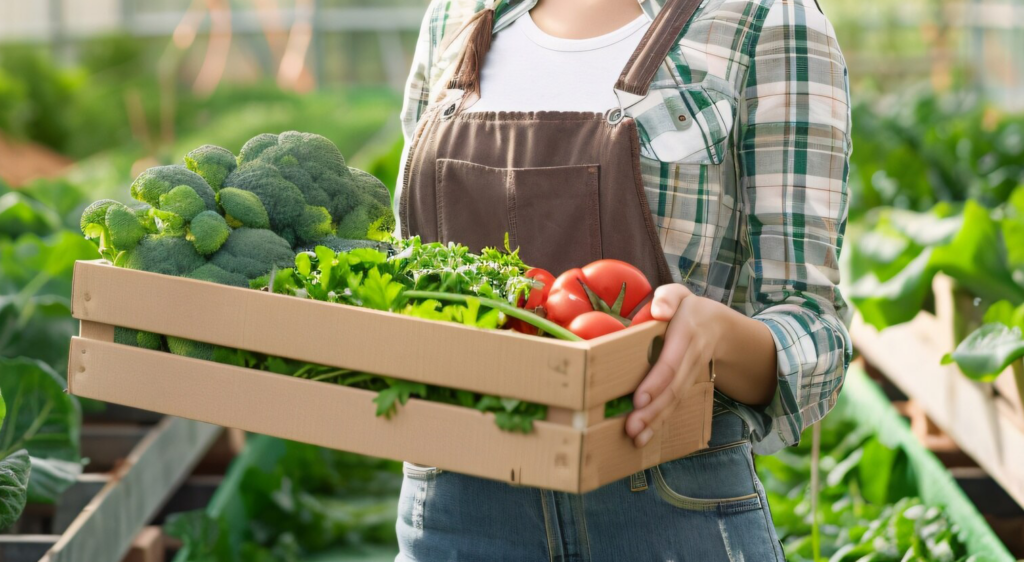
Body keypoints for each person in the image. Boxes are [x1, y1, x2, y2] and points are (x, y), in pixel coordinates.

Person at [393, 0, 852, 559]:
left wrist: (717, 335)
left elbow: (816, 324)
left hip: (668, 505)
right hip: (454, 507)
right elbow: (410, 267)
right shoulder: (457, 14)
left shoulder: (765, 19)